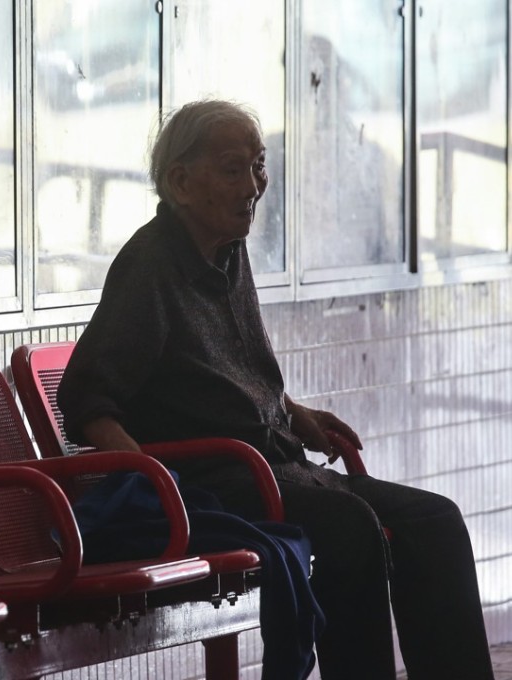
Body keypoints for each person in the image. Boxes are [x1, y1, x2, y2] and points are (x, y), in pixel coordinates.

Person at [57, 99, 493, 679]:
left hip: (276, 466)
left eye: (259, 165)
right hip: (217, 483)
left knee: (434, 521)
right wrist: (153, 479)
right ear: (181, 183)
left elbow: (226, 372)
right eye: (232, 169)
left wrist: (292, 410)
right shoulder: (151, 264)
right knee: (348, 528)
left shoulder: (227, 249)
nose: (253, 186)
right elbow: (85, 396)